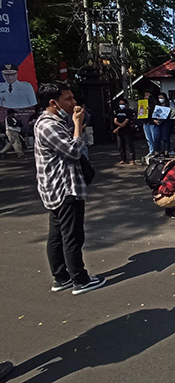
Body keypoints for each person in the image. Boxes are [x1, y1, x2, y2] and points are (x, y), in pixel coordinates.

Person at [34, 82, 105, 295]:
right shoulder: (49, 125)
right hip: (64, 187)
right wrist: (77, 124)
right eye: (68, 99)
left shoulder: (51, 121)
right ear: (53, 102)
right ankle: (79, 279)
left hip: (54, 188)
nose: (73, 103)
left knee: (57, 234)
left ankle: (61, 277)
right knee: (71, 235)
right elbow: (73, 151)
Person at [113, 98, 136, 165]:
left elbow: (126, 121)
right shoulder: (117, 111)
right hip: (119, 132)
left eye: (123, 104)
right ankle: (123, 158)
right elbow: (115, 120)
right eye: (120, 104)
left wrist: (119, 126)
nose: (121, 105)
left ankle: (132, 159)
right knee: (120, 146)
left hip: (127, 130)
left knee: (129, 145)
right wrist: (119, 125)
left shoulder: (129, 111)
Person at [141, 90, 159, 157]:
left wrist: (150, 109)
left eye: (148, 95)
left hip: (152, 122)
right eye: (145, 95)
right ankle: (151, 151)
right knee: (148, 138)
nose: (147, 96)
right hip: (145, 121)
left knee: (154, 137)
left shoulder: (154, 103)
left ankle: (156, 150)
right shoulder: (142, 103)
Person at [155, 92, 173, 156]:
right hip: (157, 123)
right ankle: (157, 151)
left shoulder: (168, 106)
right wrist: (155, 120)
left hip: (166, 123)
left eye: (162, 98)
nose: (160, 99)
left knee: (166, 137)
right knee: (157, 137)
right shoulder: (156, 106)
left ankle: (166, 151)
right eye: (159, 98)